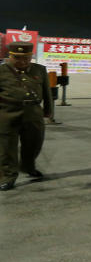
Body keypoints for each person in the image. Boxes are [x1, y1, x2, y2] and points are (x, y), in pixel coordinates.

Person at [0, 42, 53, 191]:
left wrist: (48, 110)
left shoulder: (40, 70)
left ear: (31, 57)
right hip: (7, 113)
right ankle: (8, 176)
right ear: (10, 56)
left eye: (26, 58)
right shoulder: (2, 71)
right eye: (17, 58)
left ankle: (28, 167)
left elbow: (47, 92)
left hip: (33, 113)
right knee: (6, 147)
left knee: (34, 143)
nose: (22, 61)